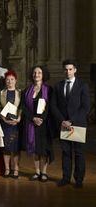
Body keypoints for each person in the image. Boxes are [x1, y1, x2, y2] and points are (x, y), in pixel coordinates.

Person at [51, 60, 90, 188]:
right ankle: (66, 178)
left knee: (78, 153)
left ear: (75, 70)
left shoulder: (82, 85)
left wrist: (71, 120)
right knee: (66, 152)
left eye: (70, 69)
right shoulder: (58, 86)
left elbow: (85, 107)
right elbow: (54, 105)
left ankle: (79, 180)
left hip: (77, 123)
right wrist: (62, 120)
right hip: (63, 124)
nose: (68, 72)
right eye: (66, 69)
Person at [22, 66, 53, 182]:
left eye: (39, 72)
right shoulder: (27, 90)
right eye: (35, 72)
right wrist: (33, 118)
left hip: (44, 124)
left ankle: (44, 172)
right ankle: (37, 171)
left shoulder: (49, 90)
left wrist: (41, 119)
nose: (36, 74)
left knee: (43, 149)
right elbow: (23, 107)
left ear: (43, 74)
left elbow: (50, 107)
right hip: (32, 122)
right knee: (34, 148)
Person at [0, 70, 22, 179]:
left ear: (15, 80)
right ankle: (7, 169)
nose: (10, 81)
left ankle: (16, 169)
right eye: (7, 79)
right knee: (6, 147)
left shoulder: (20, 92)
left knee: (15, 148)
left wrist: (19, 118)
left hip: (16, 124)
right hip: (5, 123)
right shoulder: (1, 92)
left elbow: (22, 107)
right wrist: (3, 119)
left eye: (12, 79)